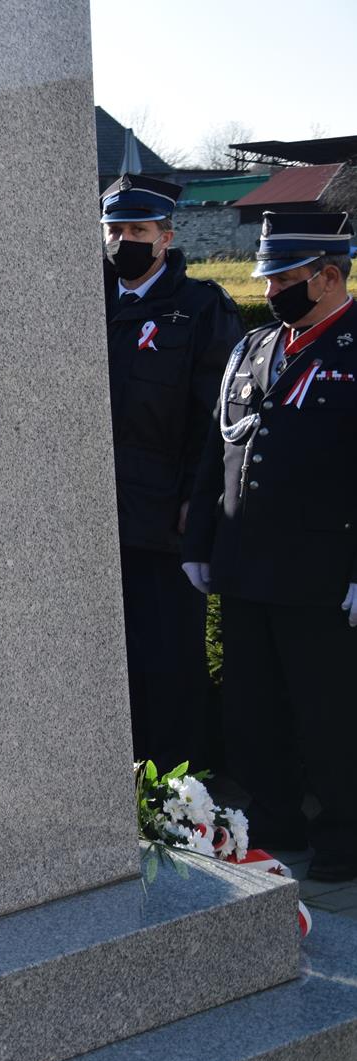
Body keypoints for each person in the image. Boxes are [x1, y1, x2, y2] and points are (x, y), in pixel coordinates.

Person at [182, 210, 357, 884]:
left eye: (285, 277)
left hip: (321, 572)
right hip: (245, 562)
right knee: (254, 711)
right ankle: (277, 821)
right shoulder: (255, 346)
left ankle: (342, 835)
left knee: (328, 712)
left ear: (329, 275)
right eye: (270, 276)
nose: (273, 288)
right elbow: (217, 449)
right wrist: (200, 539)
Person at [98, 173, 241, 771]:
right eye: (114, 230)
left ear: (165, 237)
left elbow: (218, 418)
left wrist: (195, 498)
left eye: (137, 230)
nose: (123, 241)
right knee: (106, 661)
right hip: (91, 514)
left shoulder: (200, 309)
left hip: (163, 517)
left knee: (169, 659)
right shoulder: (80, 301)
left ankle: (179, 791)